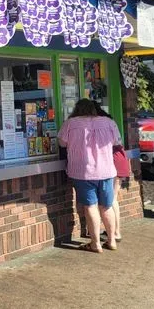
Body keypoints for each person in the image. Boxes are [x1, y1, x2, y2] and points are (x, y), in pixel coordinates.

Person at [59, 99, 122, 253]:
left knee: (91, 206)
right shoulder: (109, 122)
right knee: (106, 206)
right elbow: (117, 141)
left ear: (77, 109)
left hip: (83, 172)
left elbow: (62, 143)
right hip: (106, 170)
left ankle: (96, 244)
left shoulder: (70, 123)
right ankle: (112, 240)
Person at [94, 102, 130, 242]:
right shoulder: (110, 122)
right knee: (113, 198)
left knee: (111, 199)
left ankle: (116, 232)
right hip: (119, 158)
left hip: (113, 159)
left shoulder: (100, 124)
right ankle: (115, 231)